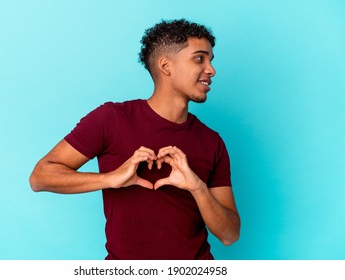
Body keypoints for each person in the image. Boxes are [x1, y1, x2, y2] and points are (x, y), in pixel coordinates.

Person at [29, 19, 240, 260]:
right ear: (165, 66)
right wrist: (110, 179)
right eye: (200, 58)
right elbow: (40, 177)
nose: (211, 69)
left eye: (211, 60)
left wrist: (197, 187)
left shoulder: (212, 141)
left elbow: (229, 234)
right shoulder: (112, 119)